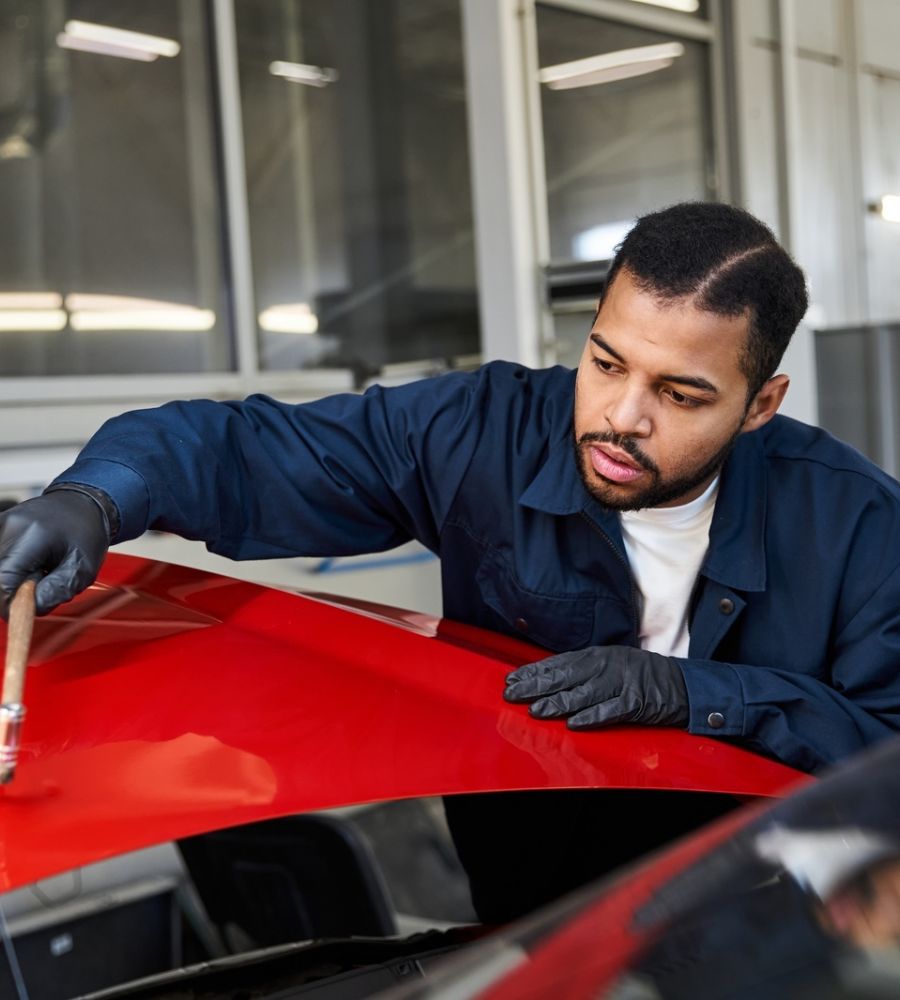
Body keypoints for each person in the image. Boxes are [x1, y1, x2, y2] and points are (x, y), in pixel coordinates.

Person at [2, 201, 900, 918]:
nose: (623, 416)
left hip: (758, 931)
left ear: (760, 403)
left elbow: (887, 751)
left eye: (680, 393)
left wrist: (695, 696)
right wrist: (99, 497)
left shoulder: (858, 524)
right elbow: (251, 450)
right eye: (605, 361)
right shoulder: (481, 436)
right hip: (525, 913)